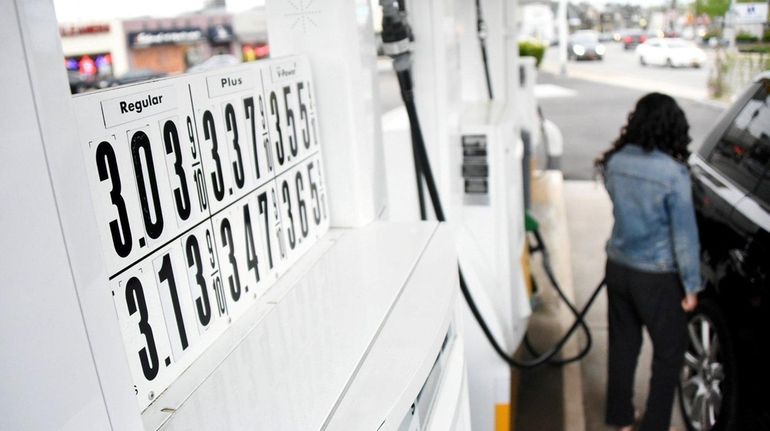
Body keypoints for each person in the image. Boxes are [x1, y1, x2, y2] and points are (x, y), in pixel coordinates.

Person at [595, 92, 702, 431]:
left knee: (623, 348)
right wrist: (691, 285)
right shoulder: (673, 173)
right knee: (670, 351)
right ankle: (655, 424)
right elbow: (684, 236)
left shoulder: (615, 162)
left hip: (618, 267)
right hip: (655, 276)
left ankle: (621, 419)